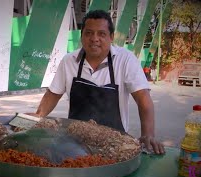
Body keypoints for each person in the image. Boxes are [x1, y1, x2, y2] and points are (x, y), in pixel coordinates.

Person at [35, 10, 165, 154]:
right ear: (82, 36)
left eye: (101, 34)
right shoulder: (68, 61)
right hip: (74, 144)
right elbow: (53, 94)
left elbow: (143, 99)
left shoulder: (126, 60)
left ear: (111, 37)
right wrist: (37, 116)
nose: (94, 39)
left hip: (116, 145)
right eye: (89, 33)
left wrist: (148, 135)